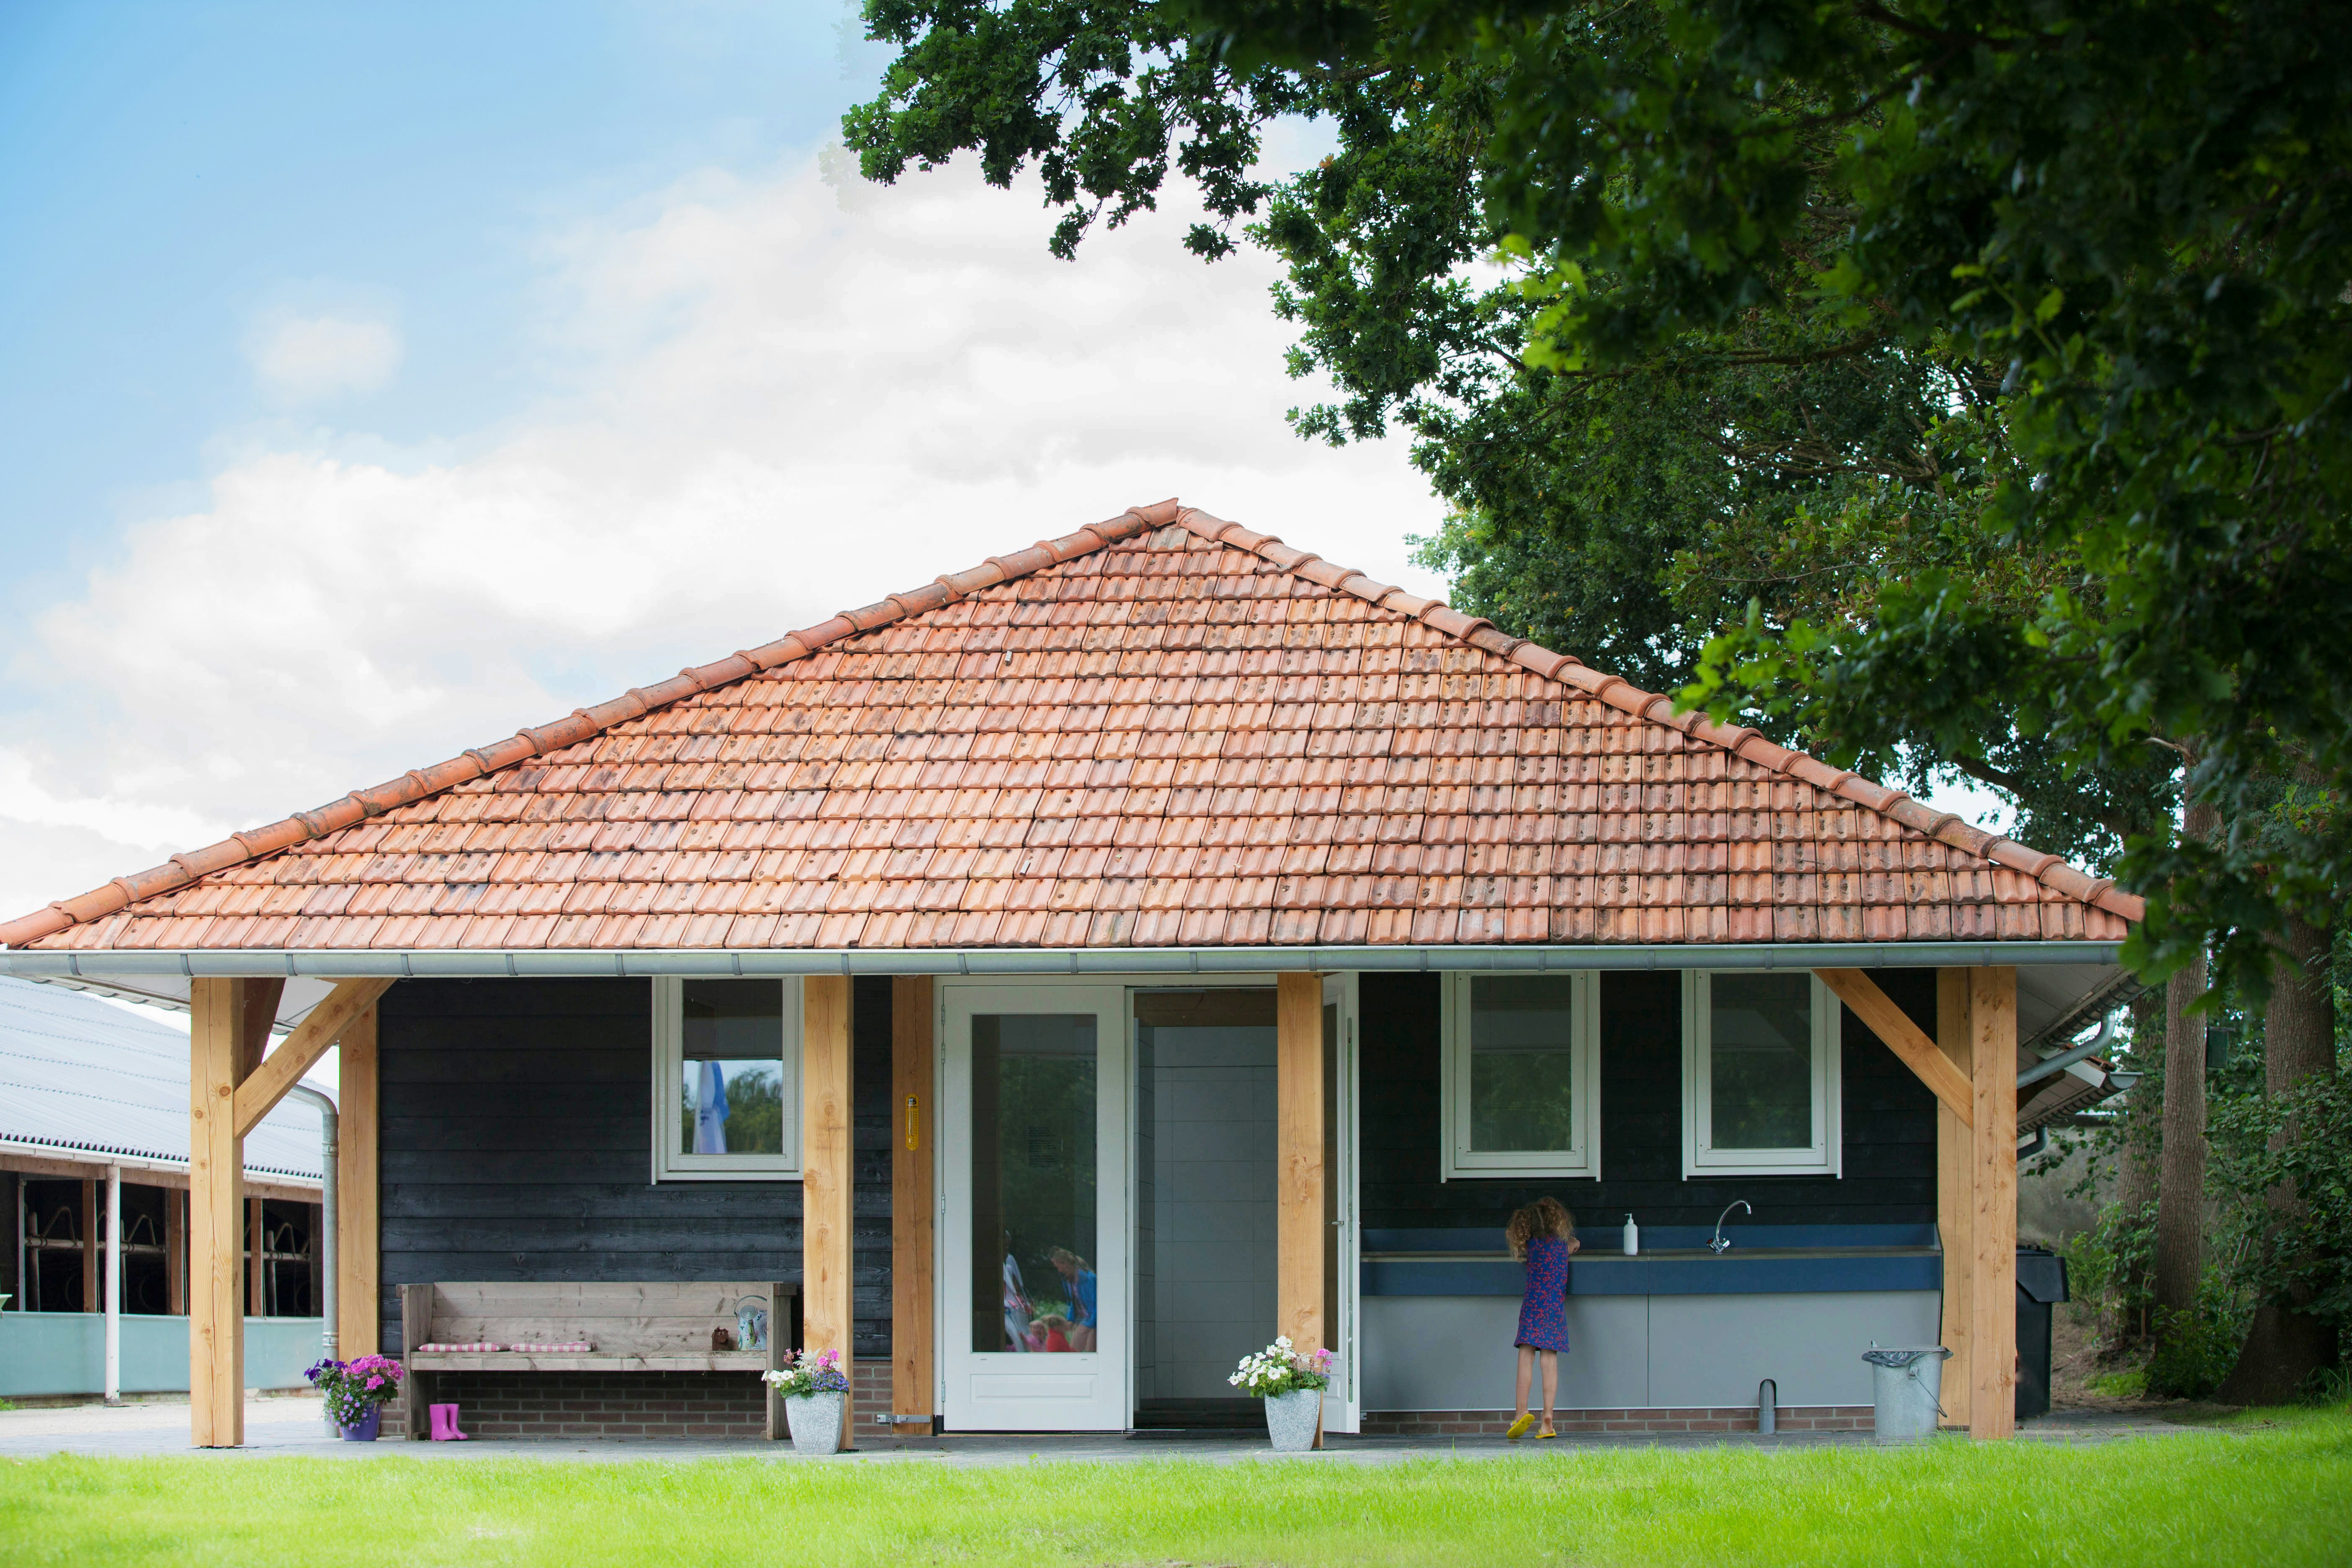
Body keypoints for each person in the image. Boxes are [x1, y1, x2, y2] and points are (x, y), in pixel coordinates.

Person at [1504, 1197, 1579, 1440]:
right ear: (1557, 1222)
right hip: (1554, 1311)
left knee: (1526, 1356)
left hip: (1532, 1308)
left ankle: (1520, 1412)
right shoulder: (1562, 1246)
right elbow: (1575, 1244)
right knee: (1549, 1360)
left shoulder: (1531, 1247)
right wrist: (1572, 1243)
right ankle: (1548, 1418)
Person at [1048, 1247, 1098, 1352]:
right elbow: (1073, 1302)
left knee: (1081, 1351)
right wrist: (1071, 1319)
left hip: (1093, 1319)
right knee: (1077, 1351)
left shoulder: (1088, 1279)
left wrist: (1089, 1325)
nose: (1059, 1270)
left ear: (1065, 1264)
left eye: (1059, 1267)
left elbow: (1096, 1305)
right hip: (1084, 1318)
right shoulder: (1068, 1280)